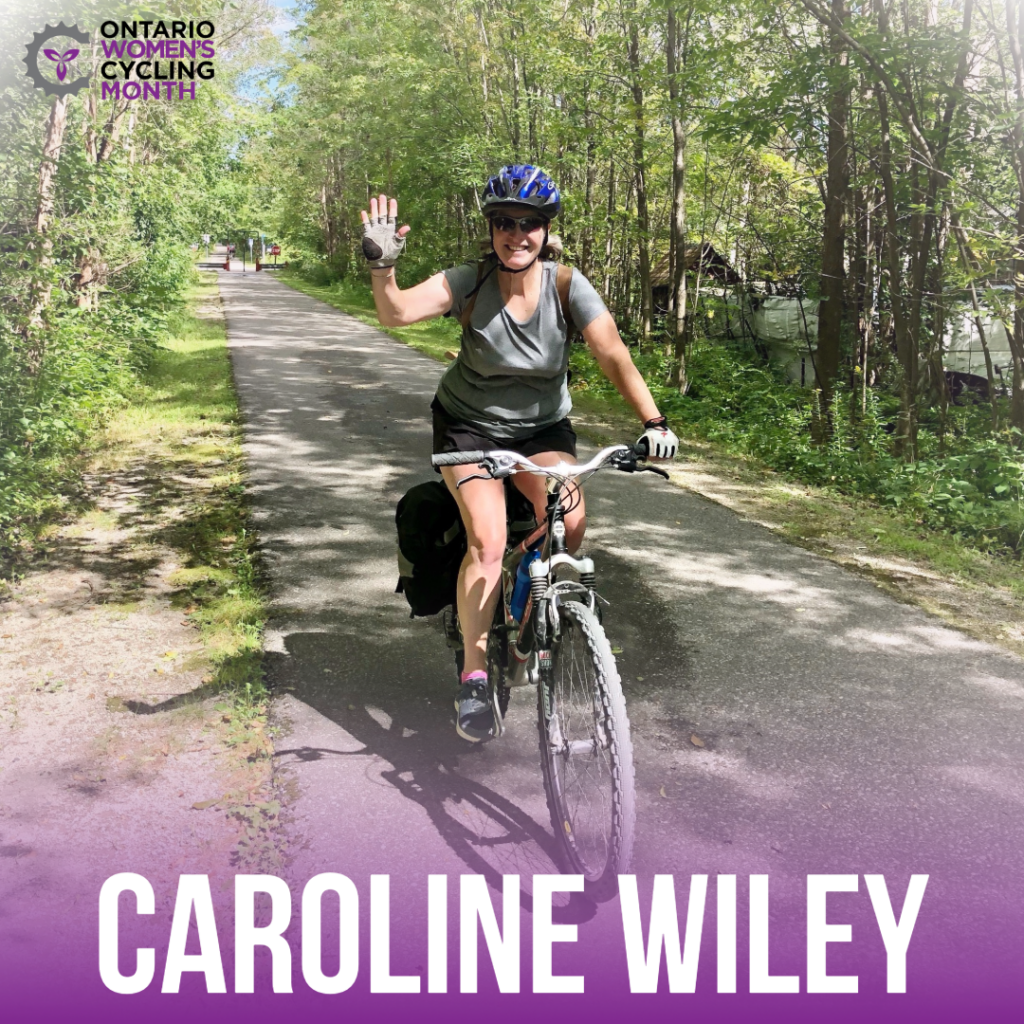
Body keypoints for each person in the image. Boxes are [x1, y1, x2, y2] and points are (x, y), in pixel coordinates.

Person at [360, 164, 678, 743]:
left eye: (530, 223)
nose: (517, 234)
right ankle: (476, 676)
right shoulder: (470, 281)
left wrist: (653, 421)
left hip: (542, 431)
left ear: (546, 230)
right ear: (491, 228)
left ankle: (530, 615)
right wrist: (383, 266)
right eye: (505, 222)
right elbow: (396, 312)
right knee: (488, 538)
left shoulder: (566, 285)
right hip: (468, 427)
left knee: (571, 522)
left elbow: (612, 354)